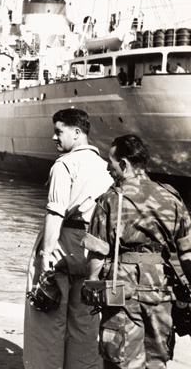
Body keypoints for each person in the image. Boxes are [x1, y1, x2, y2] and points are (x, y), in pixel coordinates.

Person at [83, 135, 191, 368]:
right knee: (156, 359)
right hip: (161, 287)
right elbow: (186, 252)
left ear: (124, 164)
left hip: (121, 288)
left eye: (110, 162)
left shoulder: (111, 199)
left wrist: (91, 284)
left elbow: (98, 253)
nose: (108, 167)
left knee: (121, 358)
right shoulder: (171, 197)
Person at [23, 108, 112, 369]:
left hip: (63, 244)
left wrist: (44, 255)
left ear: (77, 132)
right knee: (85, 320)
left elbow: (55, 213)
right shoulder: (105, 167)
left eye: (59, 131)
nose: (54, 137)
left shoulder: (64, 165)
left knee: (47, 316)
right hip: (93, 247)